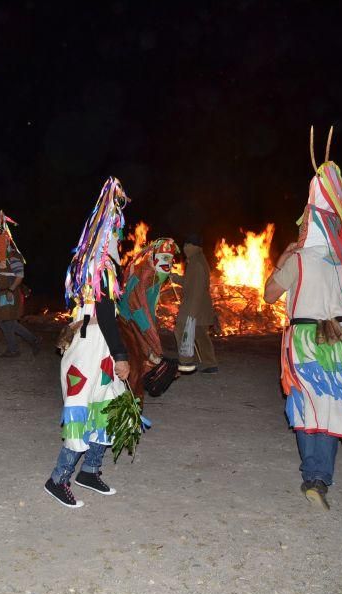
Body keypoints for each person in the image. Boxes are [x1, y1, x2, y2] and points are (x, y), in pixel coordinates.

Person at [263, 127, 342, 510]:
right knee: (330, 407)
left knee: (306, 405)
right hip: (338, 342)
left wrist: (284, 256)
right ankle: (320, 478)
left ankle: (312, 474)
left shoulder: (297, 259)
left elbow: (268, 294)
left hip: (303, 343)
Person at [45, 176, 131, 508]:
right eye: (116, 232)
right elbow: (106, 313)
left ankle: (90, 471)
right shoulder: (99, 265)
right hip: (90, 346)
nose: (118, 238)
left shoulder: (91, 261)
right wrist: (121, 353)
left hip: (95, 346)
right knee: (81, 411)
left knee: (107, 407)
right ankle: (58, 479)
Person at [117, 237, 179, 399]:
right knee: (136, 363)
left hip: (137, 321)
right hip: (129, 322)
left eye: (170, 259)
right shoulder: (147, 275)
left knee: (147, 357)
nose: (167, 263)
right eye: (164, 258)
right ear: (154, 257)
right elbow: (135, 304)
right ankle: (130, 401)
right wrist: (148, 331)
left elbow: (146, 305)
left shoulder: (154, 273)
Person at [0, 211, 39, 357]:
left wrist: (10, 289)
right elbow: (1, 278)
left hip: (12, 293)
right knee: (6, 322)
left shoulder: (14, 256)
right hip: (4, 292)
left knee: (6, 322)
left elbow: (19, 276)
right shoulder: (1, 259)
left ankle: (16, 348)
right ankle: (26, 343)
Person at [171, 233, 218, 374]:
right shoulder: (196, 259)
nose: (184, 248)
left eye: (187, 245)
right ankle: (210, 364)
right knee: (201, 335)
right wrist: (176, 278)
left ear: (192, 246)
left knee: (181, 330)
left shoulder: (196, 263)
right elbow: (189, 282)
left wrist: (190, 314)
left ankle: (186, 363)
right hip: (200, 307)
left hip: (194, 306)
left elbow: (196, 289)